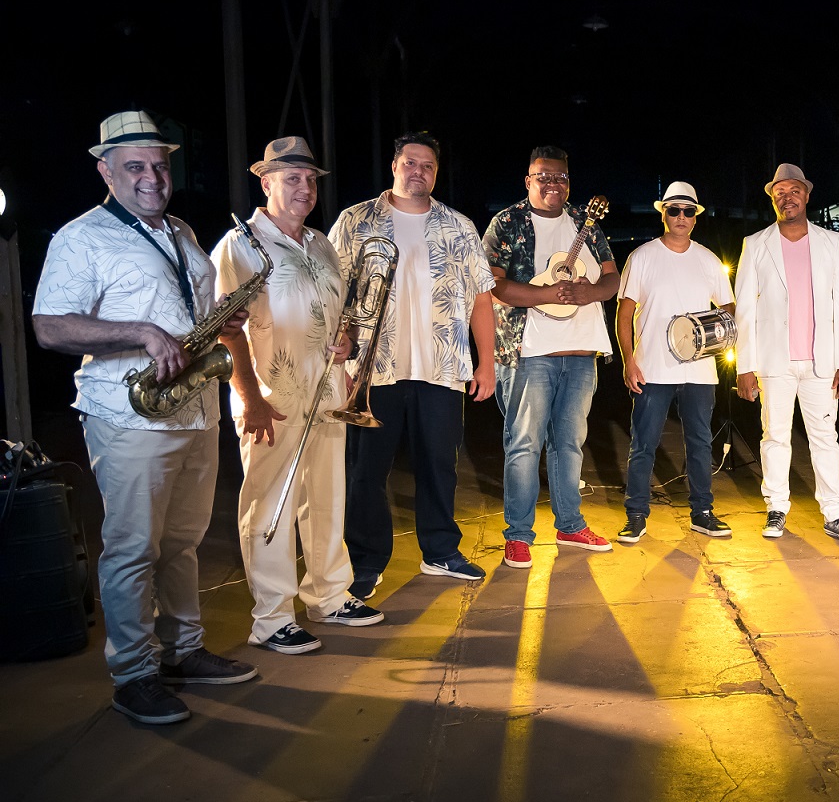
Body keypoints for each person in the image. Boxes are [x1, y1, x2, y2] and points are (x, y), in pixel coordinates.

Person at [33, 111, 258, 725]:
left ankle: (183, 651)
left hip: (194, 410)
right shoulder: (80, 237)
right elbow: (50, 327)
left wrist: (220, 318)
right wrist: (141, 332)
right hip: (128, 412)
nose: (152, 177)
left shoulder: (181, 230)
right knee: (133, 548)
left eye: (160, 165)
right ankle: (134, 675)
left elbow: (187, 312)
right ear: (105, 171)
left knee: (182, 543)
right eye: (135, 166)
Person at [212, 137, 383, 656]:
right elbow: (225, 330)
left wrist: (347, 342)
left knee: (326, 496)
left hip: (327, 392)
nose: (305, 188)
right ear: (266, 183)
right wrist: (250, 397)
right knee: (270, 503)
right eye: (292, 179)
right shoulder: (240, 245)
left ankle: (329, 596)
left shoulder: (321, 244)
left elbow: (336, 314)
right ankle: (271, 618)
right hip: (274, 397)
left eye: (310, 180)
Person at [329, 132, 495, 600]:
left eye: (427, 165)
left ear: (435, 173)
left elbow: (482, 299)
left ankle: (440, 551)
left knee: (440, 465)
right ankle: (366, 560)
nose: (418, 171)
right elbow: (332, 291)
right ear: (394, 165)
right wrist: (341, 349)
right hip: (373, 369)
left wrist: (486, 364)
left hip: (441, 367)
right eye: (410, 162)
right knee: (367, 471)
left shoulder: (459, 226)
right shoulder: (356, 220)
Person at [485, 146, 619, 569]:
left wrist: (590, 292)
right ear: (528, 181)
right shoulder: (507, 222)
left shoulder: (586, 223)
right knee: (524, 444)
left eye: (560, 177)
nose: (553, 184)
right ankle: (518, 535)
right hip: (529, 353)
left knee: (569, 444)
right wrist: (546, 294)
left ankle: (570, 525)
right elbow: (494, 286)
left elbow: (612, 277)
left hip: (581, 354)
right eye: (543, 176)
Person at [735, 163, 839, 541]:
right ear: (773, 200)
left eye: (793, 191)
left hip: (821, 362)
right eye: (780, 193)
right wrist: (745, 366)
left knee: (825, 438)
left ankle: (834, 513)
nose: (786, 198)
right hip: (773, 361)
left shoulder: (831, 242)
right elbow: (745, 309)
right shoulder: (755, 244)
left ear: (806, 195)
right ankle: (776, 508)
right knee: (774, 437)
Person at [614, 181, 735, 543]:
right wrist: (629, 361)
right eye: (674, 210)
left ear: (695, 218)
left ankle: (702, 513)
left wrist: (712, 334)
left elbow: (729, 308)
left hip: (700, 369)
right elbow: (624, 313)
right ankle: (636, 515)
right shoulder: (642, 257)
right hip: (652, 367)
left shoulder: (708, 260)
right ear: (663, 215)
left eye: (688, 211)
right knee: (643, 443)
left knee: (700, 442)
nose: (681, 217)